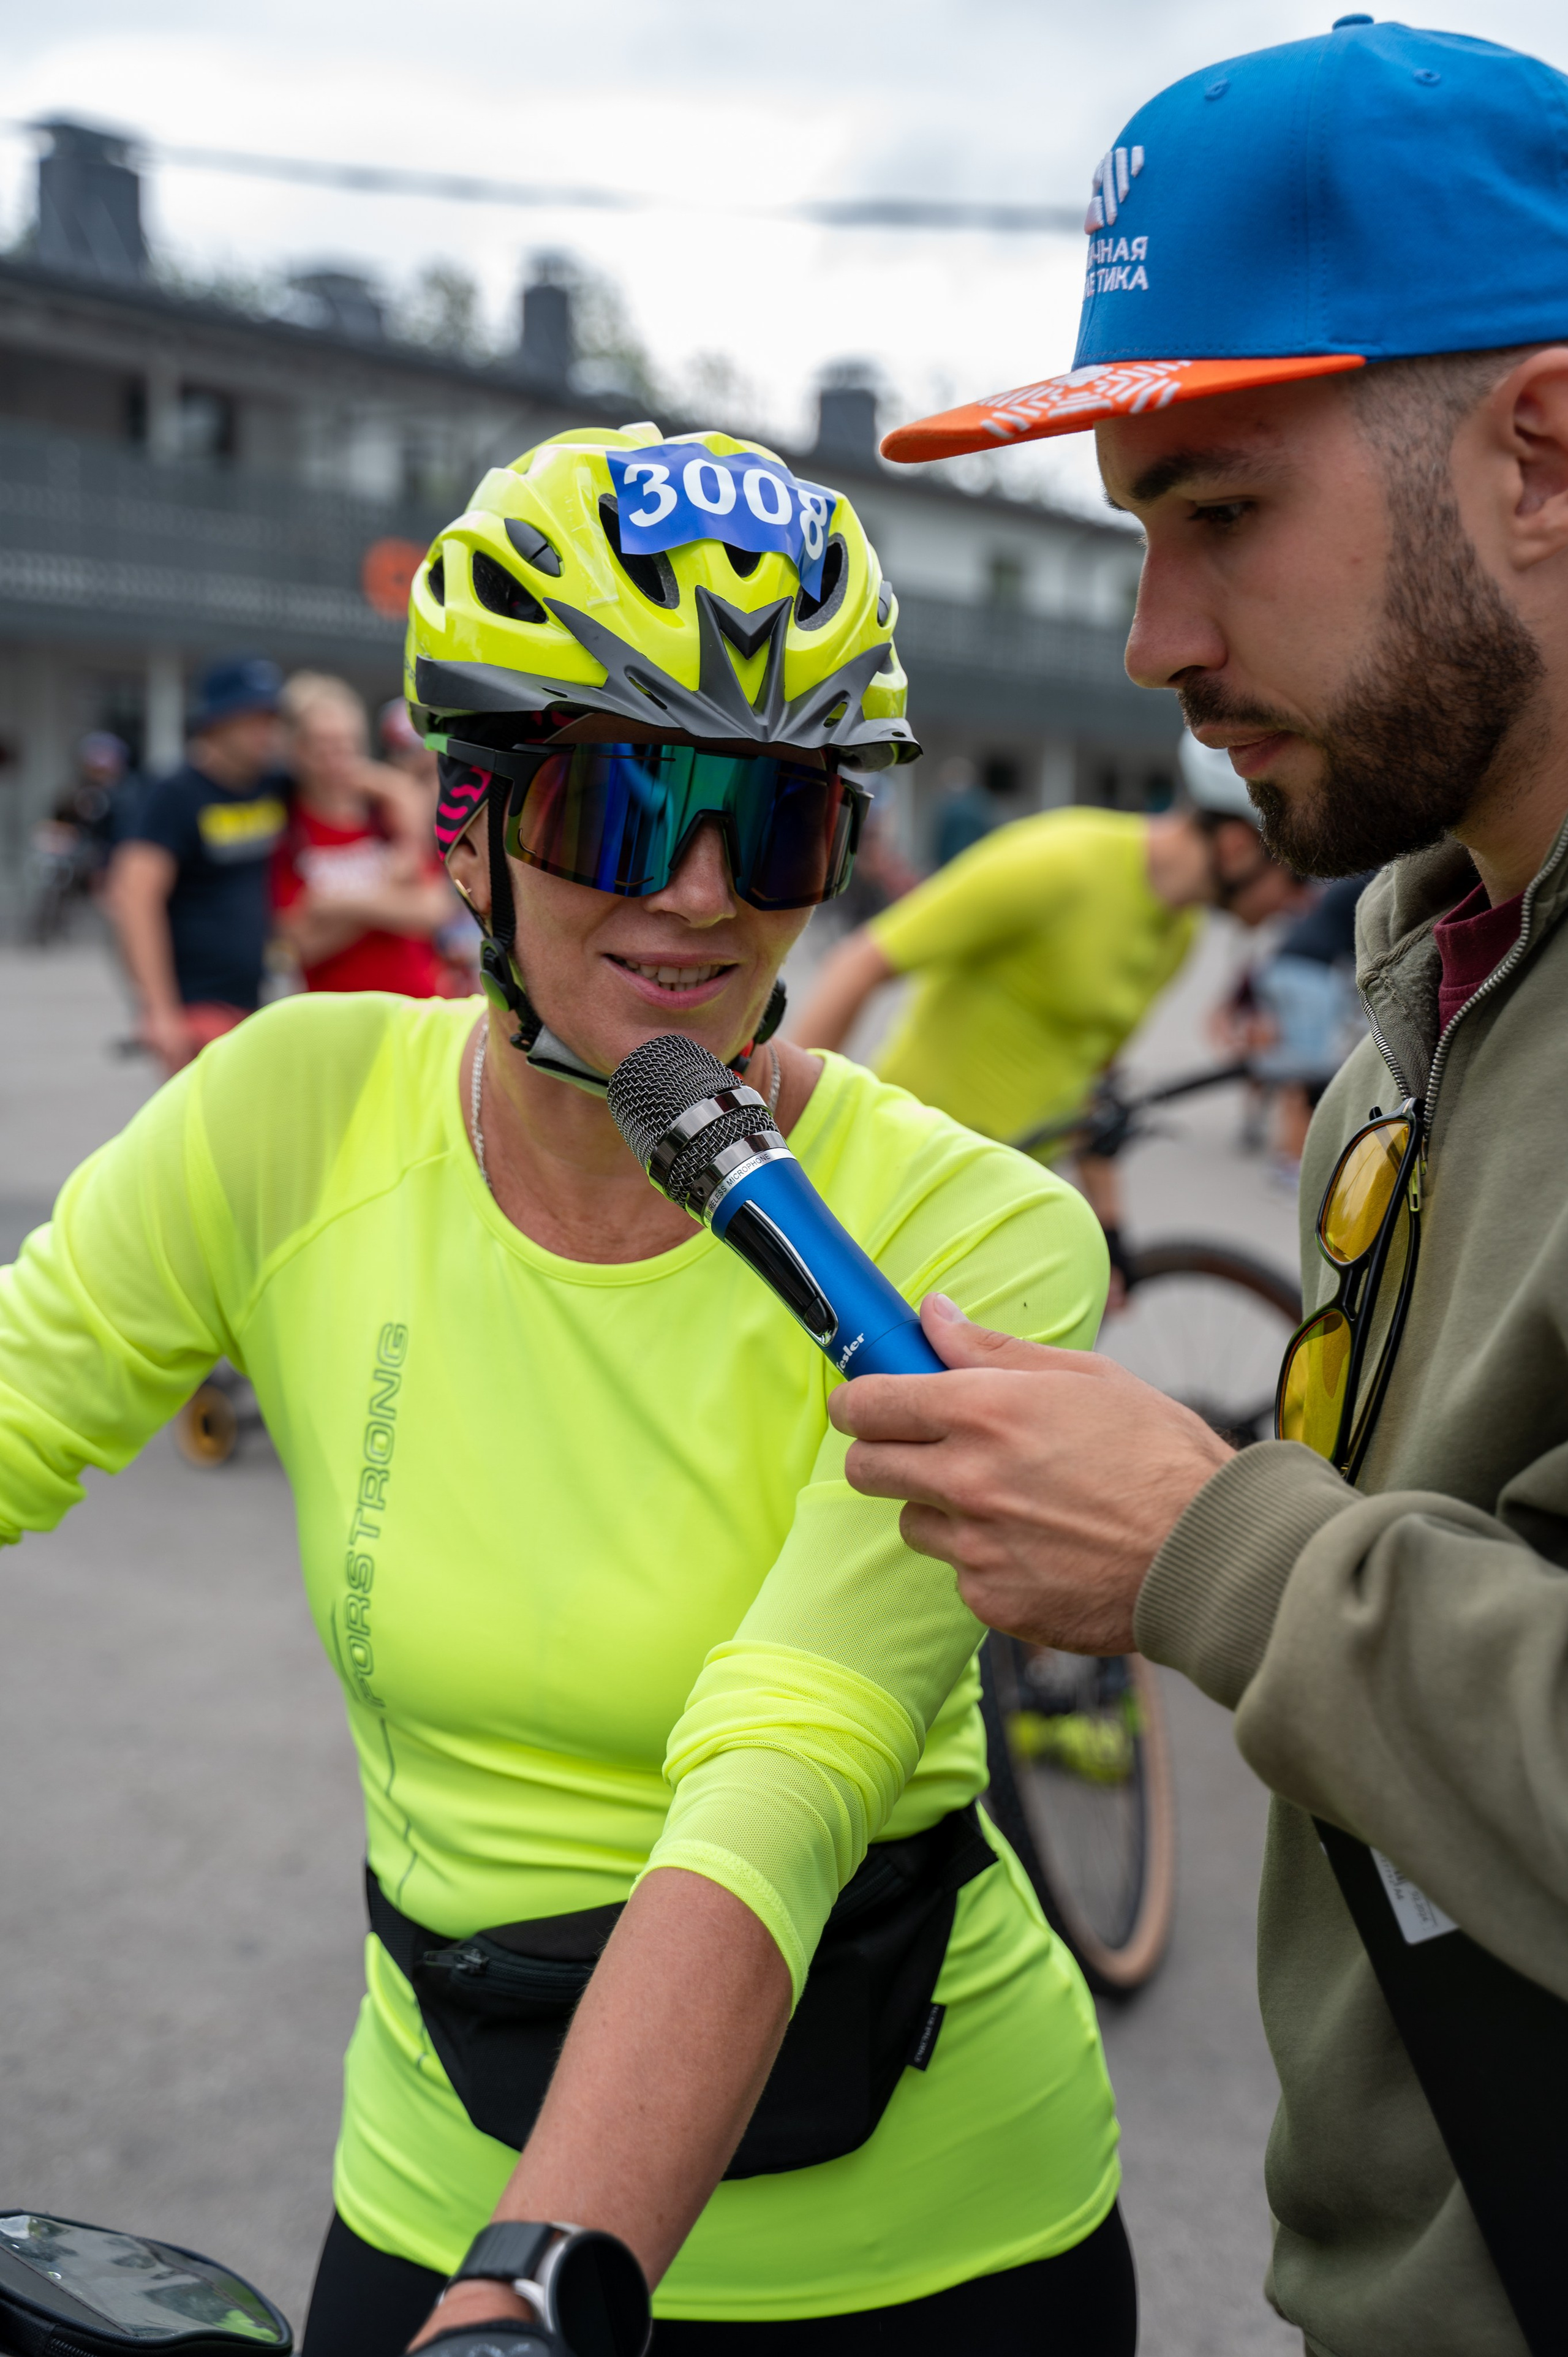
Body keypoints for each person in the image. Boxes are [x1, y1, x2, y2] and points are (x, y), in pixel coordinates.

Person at [0, 426, 1134, 2356]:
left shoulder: (967, 1234)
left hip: (930, 2247)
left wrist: (544, 2279)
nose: (697, 898)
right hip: (438, 2181)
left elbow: (790, 1758)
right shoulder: (291, 1111)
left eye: (776, 824)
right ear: (463, 823)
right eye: (622, 809)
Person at [838, 25, 1568, 2357]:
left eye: (1220, 511)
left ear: (1539, 451)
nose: (1153, 641)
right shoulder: (1429, 962)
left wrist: (1199, 1542)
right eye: (1136, 530)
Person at [794, 730, 1298, 1274]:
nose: (1305, 901)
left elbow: (1090, 1077)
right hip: (904, 1177)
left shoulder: (1179, 934)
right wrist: (777, 1149)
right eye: (1296, 874)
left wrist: (1110, 1227)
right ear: (1237, 848)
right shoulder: (1061, 862)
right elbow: (859, 963)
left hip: (1005, 1205)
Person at [110, 657, 288, 1074]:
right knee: (206, 1133)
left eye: (271, 719)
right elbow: (134, 898)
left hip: (254, 999)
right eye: (252, 720)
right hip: (194, 1006)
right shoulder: (174, 794)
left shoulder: (273, 784)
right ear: (216, 722)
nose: (267, 733)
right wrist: (159, 1011)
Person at [271, 672, 451, 997]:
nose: (337, 758)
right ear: (297, 749)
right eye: (323, 745)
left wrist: (333, 905)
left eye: (347, 743)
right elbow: (299, 946)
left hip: (416, 1001)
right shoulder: (289, 827)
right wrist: (388, 892)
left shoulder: (385, 814)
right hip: (335, 1014)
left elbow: (432, 910)